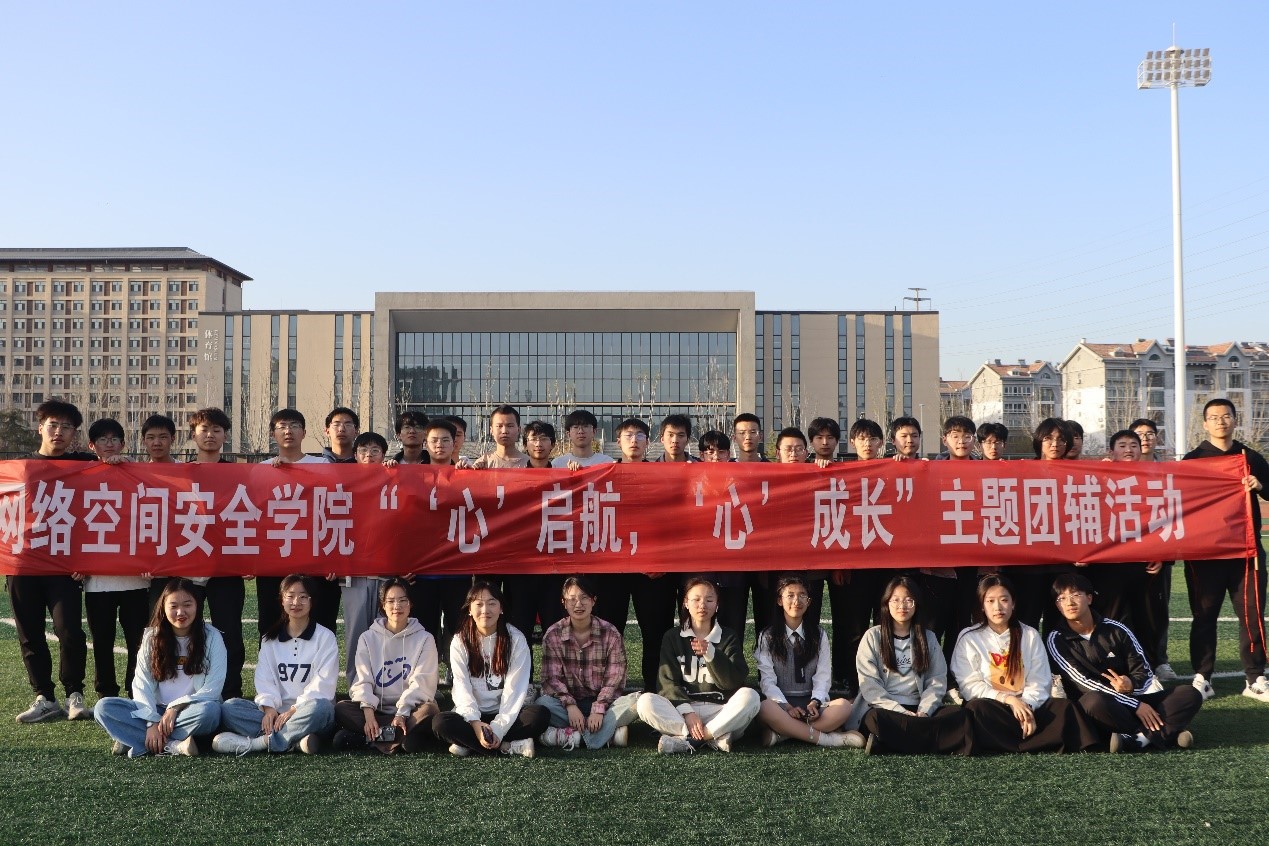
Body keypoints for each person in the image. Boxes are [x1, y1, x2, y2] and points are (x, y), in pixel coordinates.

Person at [1047, 573, 1202, 752]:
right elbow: (1084, 683)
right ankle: (1167, 732)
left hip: (1132, 698)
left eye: (1075, 595)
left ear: (1089, 598)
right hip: (1099, 708)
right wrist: (1136, 705)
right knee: (1094, 701)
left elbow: (1144, 671)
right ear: (1057, 606)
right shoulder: (1056, 639)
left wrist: (1131, 684)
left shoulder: (1117, 629)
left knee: (1189, 693)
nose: (1069, 602)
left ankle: (1138, 739)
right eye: (1061, 598)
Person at [1183, 397, 1269, 702]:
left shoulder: (1249, 456)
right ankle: (1202, 677)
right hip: (1205, 553)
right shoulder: (1192, 460)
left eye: (1226, 416)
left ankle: (1255, 677)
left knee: (1252, 616)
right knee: (1204, 616)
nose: (1221, 421)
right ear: (1204, 423)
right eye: (1214, 417)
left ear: (1235, 420)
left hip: (1246, 551)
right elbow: (1178, 502)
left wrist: (1260, 485)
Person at [951, 574, 1096, 753]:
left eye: (1004, 600)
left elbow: (1040, 680)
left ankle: (1008, 741)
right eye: (990, 601)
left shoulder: (1029, 634)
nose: (998, 607)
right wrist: (1009, 700)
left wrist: (1026, 707)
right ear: (982, 605)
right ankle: (1038, 742)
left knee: (1064, 707)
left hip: (1027, 704)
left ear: (1013, 603)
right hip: (994, 706)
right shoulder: (969, 637)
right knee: (976, 709)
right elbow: (969, 685)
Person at [12, 399, 92, 723]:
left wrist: (117, 460)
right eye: (53, 425)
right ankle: (44, 697)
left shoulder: (86, 465)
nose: (59, 432)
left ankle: (74, 693)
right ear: (40, 428)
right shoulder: (20, 468)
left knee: (69, 629)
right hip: (23, 564)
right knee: (29, 632)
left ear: (74, 433)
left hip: (65, 567)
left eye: (67, 427)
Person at [92, 578, 225, 757]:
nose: (180, 612)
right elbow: (142, 683)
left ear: (197, 606)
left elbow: (213, 689)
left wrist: (174, 708)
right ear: (163, 607)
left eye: (187, 605)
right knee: (103, 707)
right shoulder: (152, 637)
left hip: (189, 711)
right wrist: (151, 721)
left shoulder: (212, 637)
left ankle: (133, 738)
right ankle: (174, 745)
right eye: (173, 606)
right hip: (155, 709)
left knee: (211, 712)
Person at [214, 575, 337, 754]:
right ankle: (295, 740)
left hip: (307, 712)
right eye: (290, 596)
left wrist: (294, 710)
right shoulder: (270, 639)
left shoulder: (325, 637)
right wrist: (269, 708)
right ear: (282, 600)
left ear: (312, 602)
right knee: (229, 707)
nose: (296, 602)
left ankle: (260, 743)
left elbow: (323, 685)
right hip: (276, 713)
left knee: (322, 708)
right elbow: (264, 679)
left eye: (303, 597)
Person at [635, 577, 760, 754]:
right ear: (685, 602)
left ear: (717, 605)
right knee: (645, 702)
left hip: (720, 711)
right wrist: (688, 713)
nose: (703, 605)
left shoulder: (728, 636)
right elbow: (667, 683)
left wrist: (712, 654)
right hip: (683, 712)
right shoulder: (672, 637)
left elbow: (733, 682)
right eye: (696, 599)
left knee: (751, 696)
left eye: (709, 600)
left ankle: (692, 740)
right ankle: (713, 737)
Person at [855, 576, 971, 755]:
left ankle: (890, 743)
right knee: (874, 719)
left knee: (960, 716)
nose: (902, 606)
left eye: (909, 600)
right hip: (886, 710)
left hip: (919, 709)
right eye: (896, 600)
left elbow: (937, 681)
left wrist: (924, 711)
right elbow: (870, 686)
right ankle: (929, 741)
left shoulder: (928, 637)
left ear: (917, 604)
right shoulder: (872, 636)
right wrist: (899, 711)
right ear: (886, 603)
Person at [598, 417, 676, 688]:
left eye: (640, 435)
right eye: (628, 435)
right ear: (618, 441)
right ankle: (608, 689)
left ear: (648, 442)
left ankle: (655, 688)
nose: (634, 440)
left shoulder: (662, 476)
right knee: (610, 632)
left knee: (656, 633)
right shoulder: (604, 474)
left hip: (653, 569)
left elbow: (673, 520)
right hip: (613, 568)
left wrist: (663, 559)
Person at [77, 419, 150, 703]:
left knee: (137, 640)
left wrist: (128, 465)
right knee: (102, 640)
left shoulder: (139, 473)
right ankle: (105, 691)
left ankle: (135, 689)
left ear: (123, 443)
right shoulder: (81, 476)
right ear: (91, 446)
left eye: (114, 439)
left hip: (136, 578)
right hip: (97, 579)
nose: (109, 444)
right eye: (102, 439)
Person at [432, 582, 548, 757]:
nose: (485, 610)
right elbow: (461, 687)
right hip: (472, 716)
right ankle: (507, 746)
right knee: (441, 723)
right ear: (469, 609)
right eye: (479, 604)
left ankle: (469, 743)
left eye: (492, 603)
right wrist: (475, 723)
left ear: (501, 608)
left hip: (506, 713)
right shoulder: (460, 640)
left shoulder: (516, 639)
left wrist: (498, 728)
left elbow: (515, 690)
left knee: (539, 715)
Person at [334, 578, 440, 754]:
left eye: (402, 600)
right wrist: (369, 715)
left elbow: (422, 684)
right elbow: (363, 680)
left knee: (430, 710)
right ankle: (401, 738)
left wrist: (401, 714)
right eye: (390, 601)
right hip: (376, 710)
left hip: (410, 711)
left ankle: (370, 739)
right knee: (341, 708)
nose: (397, 606)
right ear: (382, 605)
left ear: (410, 604)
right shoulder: (367, 638)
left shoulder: (425, 638)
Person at [1083, 430, 1162, 665]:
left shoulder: (1152, 480)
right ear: (1111, 451)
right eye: (1123, 445)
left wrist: (1163, 555)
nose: (1129, 450)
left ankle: (1147, 667)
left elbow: (1163, 519)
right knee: (1111, 617)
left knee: (1146, 619)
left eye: (1134, 445)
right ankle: (1110, 666)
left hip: (1142, 564)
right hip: (1109, 566)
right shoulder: (1098, 478)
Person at [535, 577, 639, 750]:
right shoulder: (553, 634)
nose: (578, 604)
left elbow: (614, 679)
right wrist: (570, 705)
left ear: (593, 601)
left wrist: (599, 709)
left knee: (636, 702)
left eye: (584, 598)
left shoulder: (610, 633)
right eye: (572, 599)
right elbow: (551, 679)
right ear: (564, 602)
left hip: (604, 705)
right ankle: (607, 735)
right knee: (542, 705)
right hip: (567, 707)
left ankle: (571, 736)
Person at [755, 576, 860, 747]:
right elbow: (767, 681)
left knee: (844, 706)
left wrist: (815, 702)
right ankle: (828, 739)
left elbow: (823, 676)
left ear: (809, 601)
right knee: (765, 707)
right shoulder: (767, 636)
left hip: (811, 706)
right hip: (782, 706)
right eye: (790, 595)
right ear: (780, 600)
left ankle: (785, 733)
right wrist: (787, 707)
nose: (796, 601)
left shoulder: (819, 635)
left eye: (802, 595)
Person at [825, 418, 887, 696]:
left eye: (873, 439)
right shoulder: (842, 473)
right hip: (853, 564)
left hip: (885, 563)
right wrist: (839, 562)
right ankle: (849, 678)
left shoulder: (892, 471)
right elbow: (837, 520)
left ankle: (883, 676)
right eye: (862, 439)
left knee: (884, 624)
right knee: (853, 626)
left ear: (881, 443)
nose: (867, 444)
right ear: (852, 442)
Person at [1130, 416, 1176, 681]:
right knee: (1128, 611)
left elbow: (1175, 515)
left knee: (1157, 611)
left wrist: (1164, 554)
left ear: (1157, 438)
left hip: (1159, 553)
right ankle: (1135, 661)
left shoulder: (1169, 472)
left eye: (1149, 434)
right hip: (1125, 555)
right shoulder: (1116, 471)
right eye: (1139, 434)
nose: (1145, 438)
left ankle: (1160, 661)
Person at [551, 409, 615, 468]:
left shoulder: (607, 463)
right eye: (576, 427)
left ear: (594, 431)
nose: (580, 431)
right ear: (568, 434)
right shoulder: (557, 465)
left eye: (585, 426)